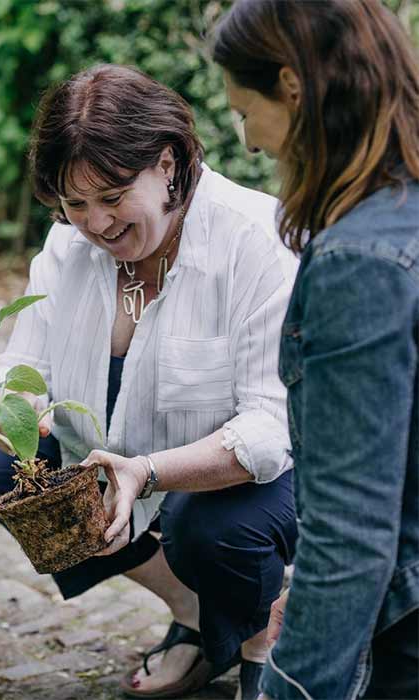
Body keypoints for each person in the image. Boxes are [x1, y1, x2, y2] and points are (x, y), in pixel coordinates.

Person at [0, 63, 298, 699]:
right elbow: (20, 367)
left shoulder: (255, 241)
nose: (96, 224)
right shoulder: (68, 246)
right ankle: (198, 617)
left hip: (268, 477)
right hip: (133, 469)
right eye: (75, 203)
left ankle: (267, 633)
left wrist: (148, 471)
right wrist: (12, 406)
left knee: (206, 530)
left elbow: (269, 429)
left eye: (114, 197)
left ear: (168, 164)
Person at [209, 1, 419, 698]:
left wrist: (293, 684)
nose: (248, 140)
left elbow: (352, 534)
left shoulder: (361, 261)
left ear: (293, 87)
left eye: (246, 110)